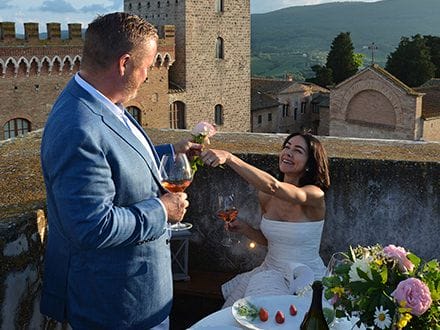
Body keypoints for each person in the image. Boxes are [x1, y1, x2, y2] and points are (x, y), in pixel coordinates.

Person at [40, 12, 201, 329]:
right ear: (124, 63)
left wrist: (169, 152)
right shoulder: (77, 127)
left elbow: (112, 159)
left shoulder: (104, 101)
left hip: (137, 297)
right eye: (148, 65)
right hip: (114, 305)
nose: (149, 74)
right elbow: (91, 226)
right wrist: (162, 210)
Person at [200, 132, 330, 307]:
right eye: (286, 147)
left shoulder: (314, 195)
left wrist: (230, 158)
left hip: (306, 277)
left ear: (309, 164)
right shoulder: (265, 196)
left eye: (298, 150)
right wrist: (245, 228)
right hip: (270, 272)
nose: (288, 153)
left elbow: (274, 186)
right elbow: (270, 241)